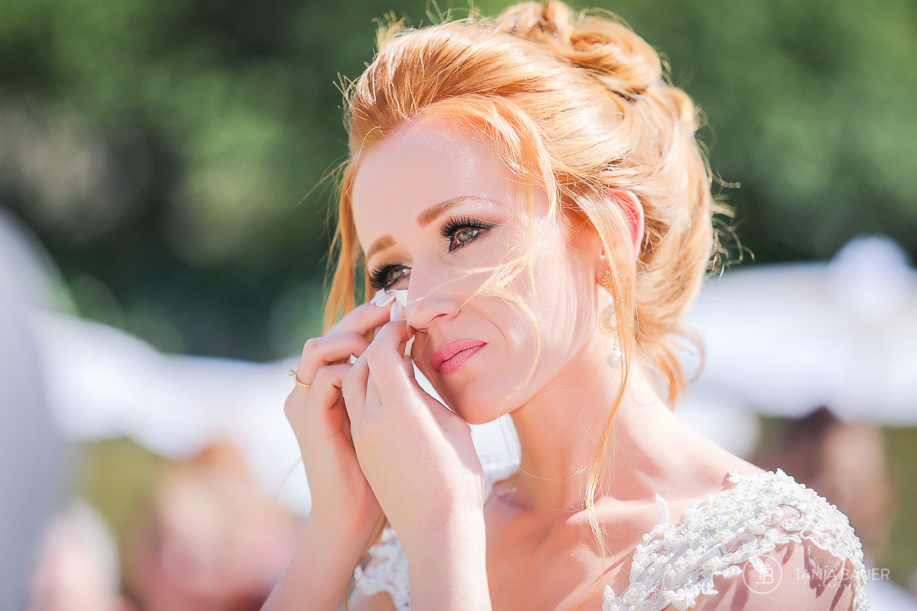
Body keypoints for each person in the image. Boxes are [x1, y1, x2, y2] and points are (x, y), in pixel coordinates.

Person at [264, 1, 870, 609]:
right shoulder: (396, 551)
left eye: (463, 231)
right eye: (391, 270)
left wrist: (443, 539)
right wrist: (337, 525)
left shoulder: (772, 554)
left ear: (608, 233)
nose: (417, 305)